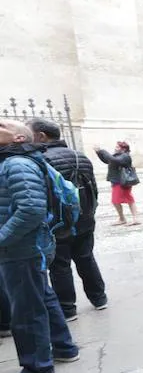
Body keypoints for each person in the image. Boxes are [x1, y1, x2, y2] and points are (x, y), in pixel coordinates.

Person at [0, 120, 79, 373]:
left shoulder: (16, 164)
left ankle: (38, 367)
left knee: (26, 309)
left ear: (20, 137)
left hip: (21, 249)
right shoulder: (15, 161)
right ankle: (64, 348)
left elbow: (31, 211)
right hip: (25, 247)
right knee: (41, 296)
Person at [29, 118, 107, 322]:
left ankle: (68, 309)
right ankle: (99, 298)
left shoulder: (41, 160)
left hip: (59, 223)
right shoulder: (80, 156)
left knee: (60, 265)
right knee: (86, 258)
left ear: (41, 136)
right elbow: (94, 190)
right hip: (85, 219)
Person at [95, 141, 139, 226]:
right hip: (117, 180)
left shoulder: (125, 156)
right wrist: (98, 153)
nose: (115, 148)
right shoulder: (118, 155)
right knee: (125, 199)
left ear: (123, 149)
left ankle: (127, 218)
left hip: (122, 181)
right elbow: (107, 160)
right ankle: (126, 218)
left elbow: (113, 160)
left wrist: (102, 150)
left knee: (117, 200)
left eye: (117, 147)